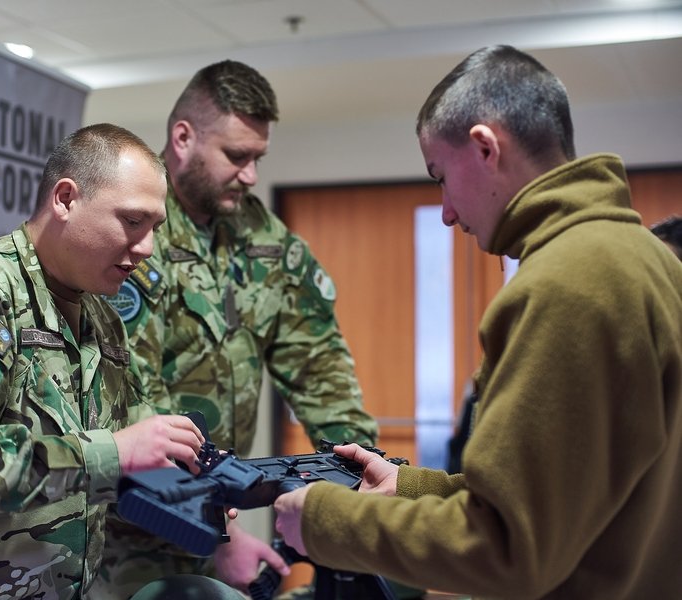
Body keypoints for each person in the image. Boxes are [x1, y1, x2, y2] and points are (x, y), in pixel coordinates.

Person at [273, 45, 682, 598]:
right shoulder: (645, 257)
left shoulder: (567, 280)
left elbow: (507, 547)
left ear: (485, 147)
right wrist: (410, 488)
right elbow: (565, 494)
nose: (445, 211)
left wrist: (324, 521)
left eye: (441, 177)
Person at [0, 123, 241, 599]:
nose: (147, 248)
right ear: (66, 199)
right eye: (133, 222)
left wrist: (189, 469)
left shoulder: (102, 318)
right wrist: (114, 453)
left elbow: (121, 428)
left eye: (155, 228)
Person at [95, 60, 379, 597]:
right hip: (130, 532)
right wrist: (225, 537)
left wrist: (358, 482)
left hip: (221, 512)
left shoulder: (266, 239)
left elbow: (320, 368)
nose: (251, 175)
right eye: (236, 156)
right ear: (183, 138)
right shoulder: (129, 232)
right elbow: (131, 397)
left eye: (258, 158)